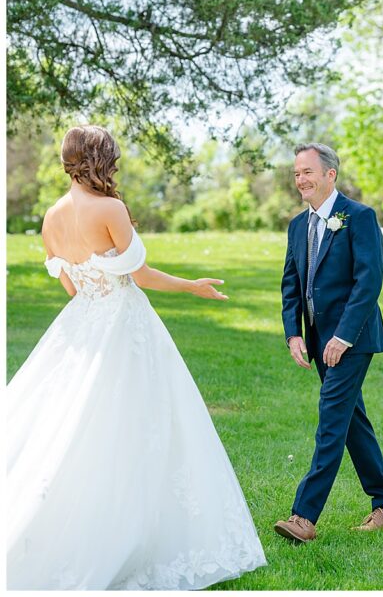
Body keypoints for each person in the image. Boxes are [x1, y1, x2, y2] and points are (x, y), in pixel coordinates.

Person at [7, 125, 266, 590]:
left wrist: (94, 290)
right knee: (139, 423)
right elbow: (141, 276)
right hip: (124, 323)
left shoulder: (51, 217)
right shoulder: (110, 208)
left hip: (80, 324)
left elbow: (70, 285)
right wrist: (193, 286)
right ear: (101, 160)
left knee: (73, 424)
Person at [274, 143, 383, 543]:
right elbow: (291, 283)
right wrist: (294, 332)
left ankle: (303, 516)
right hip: (318, 340)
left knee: (331, 422)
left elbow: (369, 282)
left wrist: (343, 337)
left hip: (353, 338)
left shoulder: (359, 217)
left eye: (308, 172)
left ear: (330, 174)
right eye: (297, 173)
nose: (301, 180)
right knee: (351, 423)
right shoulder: (298, 226)